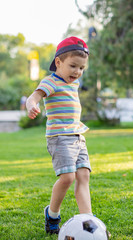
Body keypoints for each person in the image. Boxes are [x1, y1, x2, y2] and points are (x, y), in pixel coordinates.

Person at [26, 36, 92, 235]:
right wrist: (31, 105)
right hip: (59, 137)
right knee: (67, 177)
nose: (77, 72)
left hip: (78, 135)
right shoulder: (51, 81)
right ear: (58, 62)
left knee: (83, 175)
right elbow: (34, 96)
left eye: (81, 68)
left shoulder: (74, 83)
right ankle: (52, 215)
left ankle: (88, 221)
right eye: (73, 66)